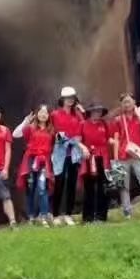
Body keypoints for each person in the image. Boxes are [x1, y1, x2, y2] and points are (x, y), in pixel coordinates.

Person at [13, 104, 57, 226]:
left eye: (46, 113)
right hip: (31, 161)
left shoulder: (51, 130)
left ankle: (43, 215)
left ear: (49, 116)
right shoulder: (31, 128)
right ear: (37, 114)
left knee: (43, 188)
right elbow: (15, 134)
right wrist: (25, 122)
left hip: (44, 161)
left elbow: (54, 146)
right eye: (41, 112)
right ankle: (31, 216)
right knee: (31, 188)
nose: (43, 115)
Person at [50, 86, 86, 226]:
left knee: (71, 182)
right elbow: (54, 132)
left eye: (72, 98)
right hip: (60, 151)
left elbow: (82, 131)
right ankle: (56, 214)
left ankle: (69, 214)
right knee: (59, 182)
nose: (70, 100)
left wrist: (82, 113)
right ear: (62, 99)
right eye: (67, 98)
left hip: (74, 152)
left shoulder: (77, 115)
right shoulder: (55, 114)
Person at [78, 103, 113, 223]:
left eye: (99, 111)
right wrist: (83, 148)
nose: (97, 114)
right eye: (94, 111)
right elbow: (77, 140)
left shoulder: (104, 124)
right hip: (89, 158)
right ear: (90, 112)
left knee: (102, 187)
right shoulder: (83, 124)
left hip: (103, 158)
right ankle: (87, 217)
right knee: (89, 188)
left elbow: (110, 139)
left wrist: (120, 143)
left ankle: (101, 216)